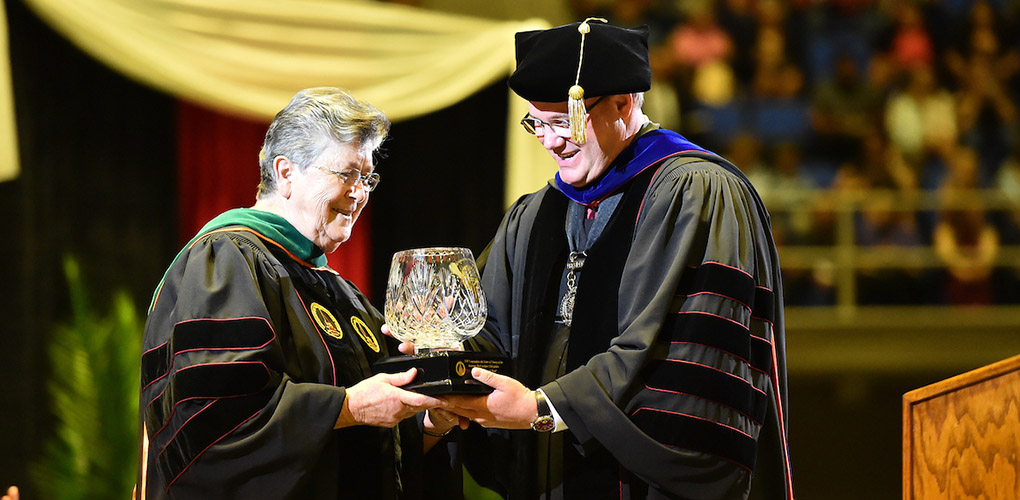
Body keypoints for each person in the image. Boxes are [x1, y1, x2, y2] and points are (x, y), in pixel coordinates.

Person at [443, 19, 793, 500]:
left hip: (643, 483)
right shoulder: (535, 214)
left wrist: (546, 406)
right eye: (535, 124)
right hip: (550, 479)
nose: (549, 141)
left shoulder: (697, 192)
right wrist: (441, 361)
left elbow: (682, 353)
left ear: (625, 102)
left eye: (563, 122)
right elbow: (486, 326)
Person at [137, 87, 460, 499]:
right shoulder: (226, 260)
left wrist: (431, 419)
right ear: (286, 172)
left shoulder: (344, 295)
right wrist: (349, 407)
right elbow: (216, 425)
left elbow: (376, 452)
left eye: (367, 178)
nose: (360, 194)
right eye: (346, 175)